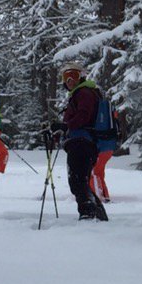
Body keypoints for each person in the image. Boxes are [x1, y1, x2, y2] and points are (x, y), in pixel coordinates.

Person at [52, 62, 107, 221]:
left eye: (74, 75)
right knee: (80, 180)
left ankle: (88, 215)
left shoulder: (84, 93)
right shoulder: (80, 94)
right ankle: (97, 215)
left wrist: (65, 125)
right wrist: (62, 129)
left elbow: (84, 116)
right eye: (66, 77)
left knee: (77, 181)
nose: (70, 80)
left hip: (82, 142)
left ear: (81, 77)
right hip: (81, 142)